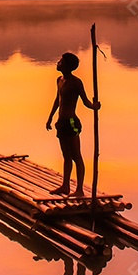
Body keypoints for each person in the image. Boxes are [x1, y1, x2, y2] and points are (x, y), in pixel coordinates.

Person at [45, 51, 99, 196]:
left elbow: (85, 101)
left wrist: (94, 106)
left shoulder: (76, 82)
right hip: (61, 123)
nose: (58, 63)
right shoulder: (59, 80)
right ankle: (65, 186)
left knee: (76, 156)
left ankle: (79, 190)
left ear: (68, 66)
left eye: (61, 62)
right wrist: (50, 118)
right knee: (66, 156)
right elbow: (58, 100)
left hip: (71, 122)